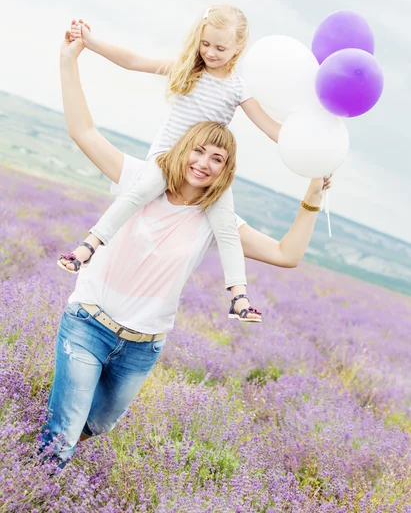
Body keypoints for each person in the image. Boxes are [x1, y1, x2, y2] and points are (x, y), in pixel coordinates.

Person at [39, 30, 331, 469]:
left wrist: (313, 196)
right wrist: (69, 60)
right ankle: (37, 483)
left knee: (95, 427)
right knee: (62, 435)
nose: (203, 164)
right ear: (182, 151)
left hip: (143, 345)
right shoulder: (139, 178)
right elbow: (83, 130)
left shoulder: (217, 221)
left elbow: (286, 254)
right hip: (87, 323)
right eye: (199, 151)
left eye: (217, 159)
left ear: (225, 172)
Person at [58, 5, 283, 323]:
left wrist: (304, 146)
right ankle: (89, 245)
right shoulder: (189, 69)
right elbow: (132, 61)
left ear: (237, 49)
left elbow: (268, 126)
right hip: (167, 158)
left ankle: (238, 296)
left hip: (204, 172)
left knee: (227, 228)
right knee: (139, 192)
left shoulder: (237, 88)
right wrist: (92, 43)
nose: (211, 52)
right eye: (206, 44)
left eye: (220, 48)